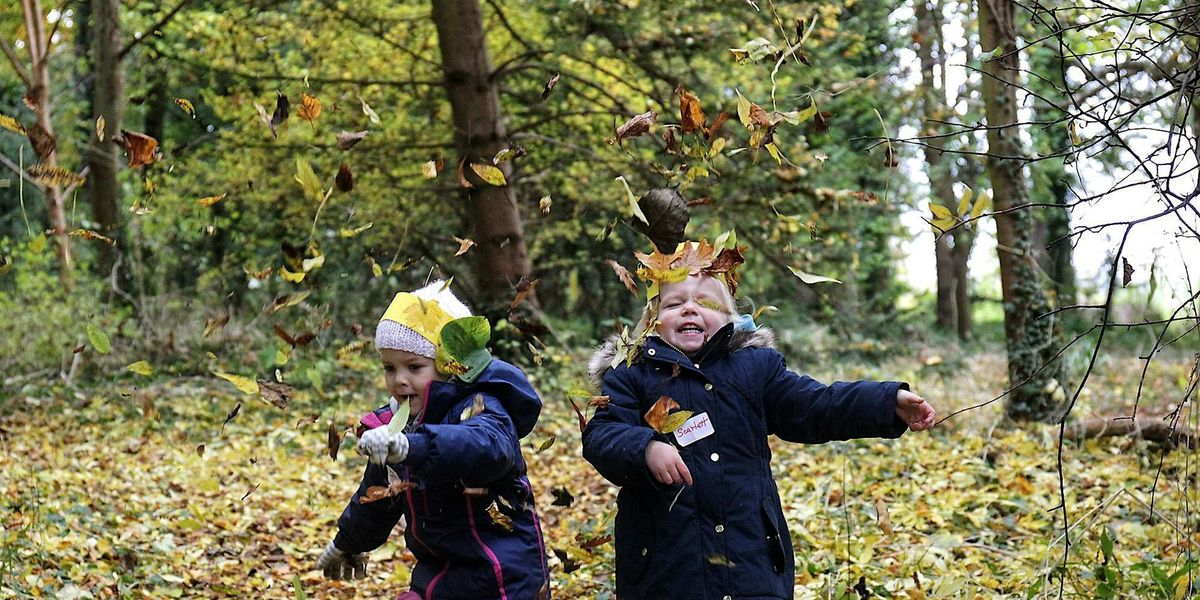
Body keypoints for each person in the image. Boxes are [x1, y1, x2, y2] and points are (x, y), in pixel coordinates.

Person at [582, 240, 936, 600]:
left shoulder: (755, 367)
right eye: (674, 304)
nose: (689, 309)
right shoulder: (632, 373)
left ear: (730, 317)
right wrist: (645, 448)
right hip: (666, 564)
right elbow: (603, 434)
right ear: (652, 322)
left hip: (749, 551)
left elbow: (816, 405)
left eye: (705, 302)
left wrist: (885, 401)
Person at [317, 280, 550, 600]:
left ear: (449, 365)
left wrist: (415, 446)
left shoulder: (479, 406)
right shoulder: (396, 426)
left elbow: (485, 448)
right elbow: (378, 497)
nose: (399, 380)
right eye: (389, 367)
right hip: (438, 573)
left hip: (501, 573)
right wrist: (347, 542)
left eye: (414, 367)